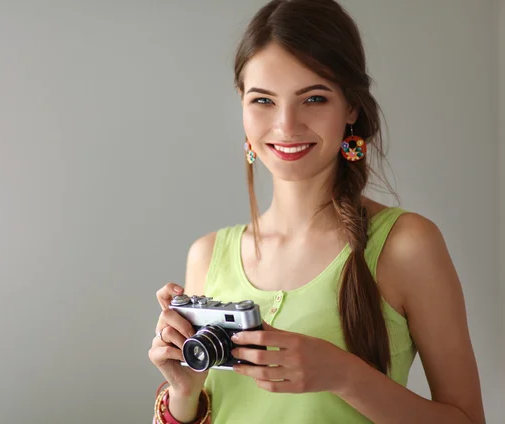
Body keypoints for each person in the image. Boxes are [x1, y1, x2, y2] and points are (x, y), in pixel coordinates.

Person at [148, 0, 486, 423]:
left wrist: (346, 376)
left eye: (313, 98)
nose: (286, 126)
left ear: (351, 107)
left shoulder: (406, 245)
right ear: (242, 103)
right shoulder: (207, 254)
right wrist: (184, 391)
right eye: (263, 101)